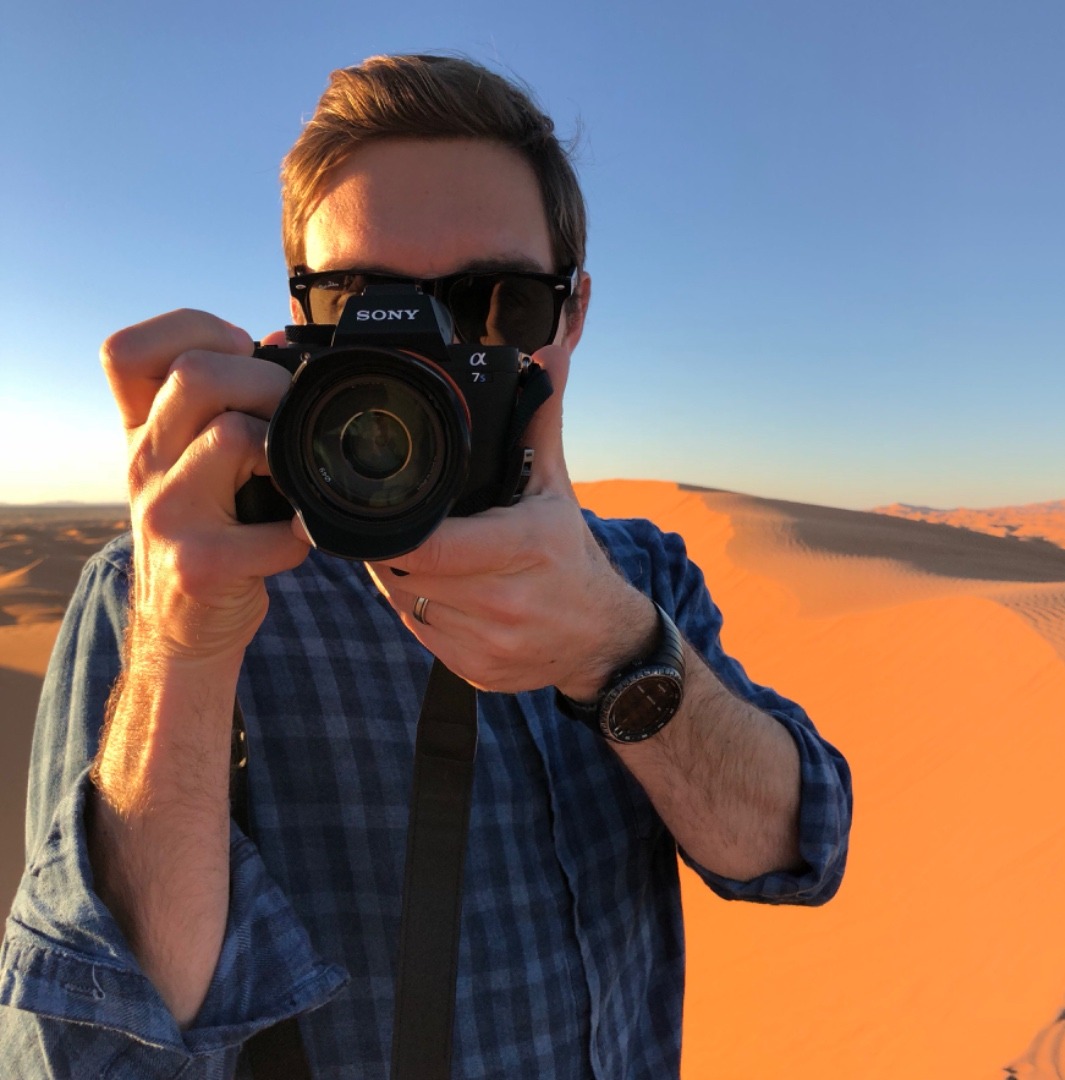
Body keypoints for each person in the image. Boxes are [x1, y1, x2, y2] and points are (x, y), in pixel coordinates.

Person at [0, 54, 852, 1078]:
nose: (428, 349)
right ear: (297, 320)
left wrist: (617, 653)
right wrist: (186, 646)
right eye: (362, 294)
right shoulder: (171, 597)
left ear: (571, 314)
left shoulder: (641, 577)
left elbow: (795, 848)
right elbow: (81, 1057)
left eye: (495, 303)